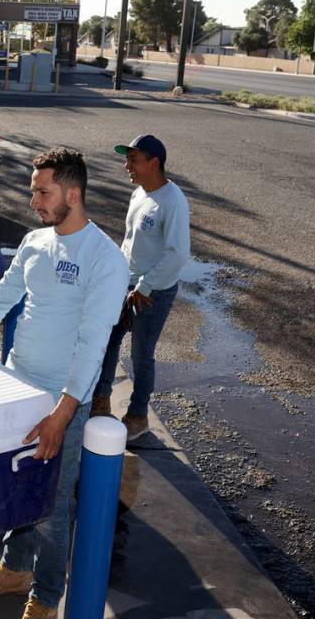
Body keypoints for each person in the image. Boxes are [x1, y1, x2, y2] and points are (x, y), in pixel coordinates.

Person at [0, 147, 129, 619]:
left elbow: (92, 345)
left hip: (61, 403)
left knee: (48, 508)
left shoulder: (105, 260)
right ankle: (14, 567)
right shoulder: (34, 242)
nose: (34, 202)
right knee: (14, 490)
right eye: (33, 192)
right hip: (14, 390)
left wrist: (61, 415)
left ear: (73, 193)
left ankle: (46, 596)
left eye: (42, 192)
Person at [91, 134, 190, 442]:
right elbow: (129, 242)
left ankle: (137, 416)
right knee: (107, 341)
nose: (127, 166)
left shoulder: (172, 201)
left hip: (152, 292)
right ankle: (100, 401)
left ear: (154, 163)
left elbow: (177, 254)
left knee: (141, 355)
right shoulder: (139, 194)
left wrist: (145, 287)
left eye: (133, 160)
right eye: (127, 159)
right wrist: (115, 275)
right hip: (126, 284)